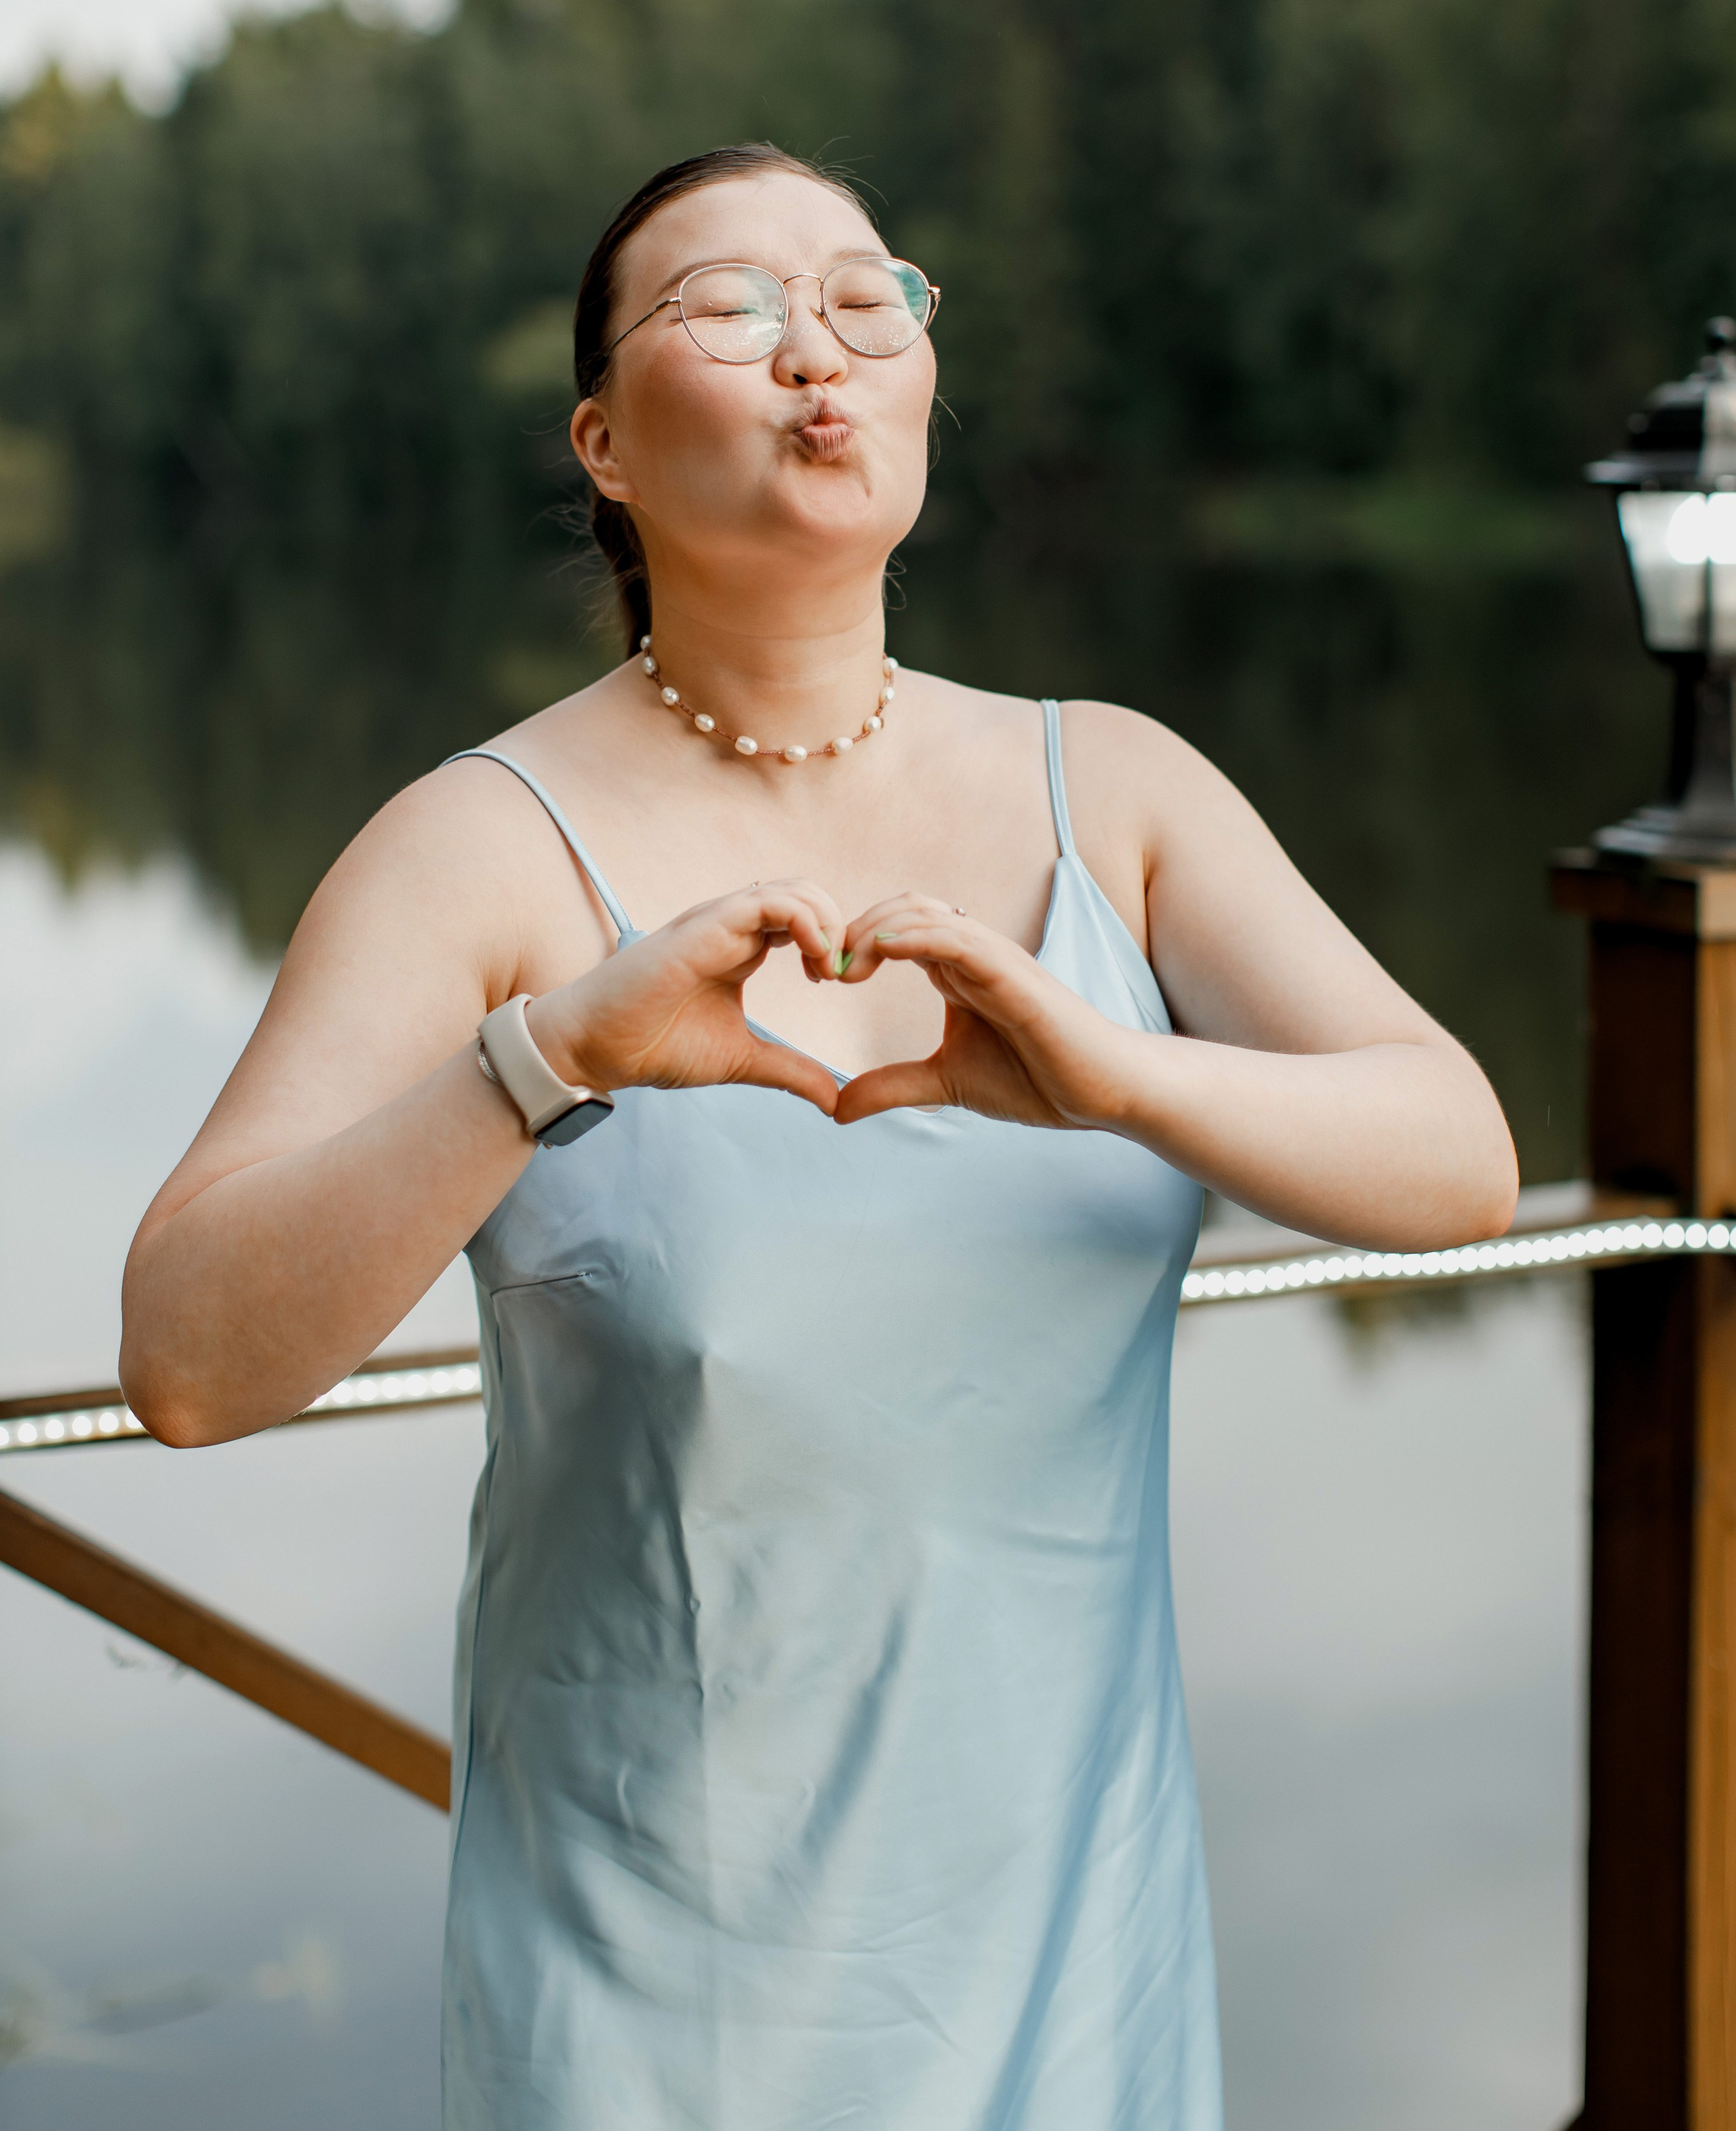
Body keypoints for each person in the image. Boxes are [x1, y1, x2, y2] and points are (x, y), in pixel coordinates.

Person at [121, 141, 1518, 2130]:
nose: (817, 352)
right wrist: (535, 1055)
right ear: (602, 440)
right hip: (654, 1993)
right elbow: (186, 1356)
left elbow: (1458, 1152)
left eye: (867, 298)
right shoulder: (479, 848)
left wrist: (1126, 1075)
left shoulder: (1111, 787)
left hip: (1076, 1944)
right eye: (734, 304)